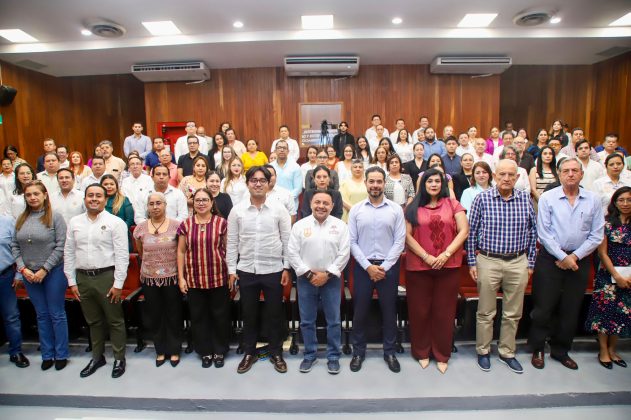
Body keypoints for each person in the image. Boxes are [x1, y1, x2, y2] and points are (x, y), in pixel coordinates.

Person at [529, 158, 605, 370]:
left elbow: (597, 234)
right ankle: (537, 348)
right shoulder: (548, 198)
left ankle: (561, 351)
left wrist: (575, 257)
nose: (570, 174)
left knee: (570, 308)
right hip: (550, 258)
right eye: (566, 171)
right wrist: (563, 257)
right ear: (559, 174)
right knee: (543, 307)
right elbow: (544, 233)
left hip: (579, 260)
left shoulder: (593, 200)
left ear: (581, 174)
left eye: (574, 170)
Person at [467, 159, 537, 374]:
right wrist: (472, 262)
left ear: (517, 177)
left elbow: (533, 232)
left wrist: (530, 263)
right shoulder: (482, 199)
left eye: (511, 175)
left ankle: (507, 352)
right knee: (486, 312)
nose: (506, 178)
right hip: (488, 261)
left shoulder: (525, 199)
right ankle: (483, 351)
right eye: (502, 174)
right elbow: (472, 232)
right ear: (495, 176)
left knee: (513, 313)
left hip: (518, 262)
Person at [227, 166, 292, 374]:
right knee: (249, 314)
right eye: (253, 180)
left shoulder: (279, 209)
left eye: (262, 180)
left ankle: (276, 352)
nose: (258, 184)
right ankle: (249, 352)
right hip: (246, 269)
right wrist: (231, 269)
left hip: (274, 269)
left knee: (274, 314)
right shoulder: (237, 210)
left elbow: (287, 240)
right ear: (247, 183)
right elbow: (231, 242)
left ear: (268, 183)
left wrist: (286, 267)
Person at [404, 169, 469, 373]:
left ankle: (442, 353)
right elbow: (406, 235)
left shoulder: (453, 204)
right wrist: (426, 257)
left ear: (443, 184)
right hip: (419, 267)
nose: (433, 184)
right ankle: (421, 352)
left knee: (444, 312)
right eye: (429, 181)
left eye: (437, 181)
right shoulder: (413, 206)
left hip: (448, 266)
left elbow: (464, 231)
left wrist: (446, 254)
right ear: (423, 184)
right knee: (419, 311)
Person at [65, 183, 130, 378]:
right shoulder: (75, 222)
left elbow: (122, 256)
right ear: (85, 199)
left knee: (115, 320)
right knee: (93, 321)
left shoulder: (115, 222)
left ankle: (119, 358)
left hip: (107, 277)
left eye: (98, 196)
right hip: (83, 278)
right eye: (90, 195)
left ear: (105, 199)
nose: (94, 199)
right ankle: (97, 357)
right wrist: (71, 281)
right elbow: (69, 252)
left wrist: (118, 284)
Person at [348, 166, 406, 373]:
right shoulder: (356, 210)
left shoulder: (395, 209)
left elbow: (400, 241)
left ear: (384, 183)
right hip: (362, 267)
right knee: (360, 312)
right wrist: (368, 267)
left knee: (389, 312)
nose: (375, 185)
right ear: (366, 183)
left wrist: (383, 267)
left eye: (379, 181)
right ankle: (358, 352)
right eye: (371, 181)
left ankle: (389, 352)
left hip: (388, 267)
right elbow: (351, 242)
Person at [289, 190, 350, 374]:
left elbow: (344, 253)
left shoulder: (340, 226)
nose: (321, 206)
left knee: (334, 321)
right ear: (310, 204)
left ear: (332, 206)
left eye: (325, 203)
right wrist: (309, 275)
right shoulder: (299, 226)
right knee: (307, 321)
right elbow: (292, 253)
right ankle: (309, 355)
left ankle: (333, 356)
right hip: (305, 280)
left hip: (331, 280)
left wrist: (327, 275)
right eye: (317, 202)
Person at [11, 181, 68, 371]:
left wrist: (45, 269)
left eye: (36, 193)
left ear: (45, 195)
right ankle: (47, 354)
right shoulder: (21, 218)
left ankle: (61, 354)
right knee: (41, 315)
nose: (33, 197)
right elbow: (15, 246)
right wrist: (23, 269)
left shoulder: (55, 217)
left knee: (56, 314)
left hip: (53, 272)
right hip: (29, 274)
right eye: (28, 195)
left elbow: (61, 245)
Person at [177, 188, 230, 369]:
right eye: (197, 200)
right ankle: (205, 351)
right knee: (199, 317)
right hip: (194, 279)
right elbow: (181, 251)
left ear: (211, 202)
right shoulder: (186, 224)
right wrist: (181, 278)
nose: (201, 203)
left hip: (218, 277)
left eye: (204, 200)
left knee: (220, 316)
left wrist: (232, 273)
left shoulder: (221, 223)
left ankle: (219, 350)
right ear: (193, 203)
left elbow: (228, 250)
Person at [585, 187, 631, 369]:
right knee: (605, 313)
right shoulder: (606, 224)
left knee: (621, 312)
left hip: (629, 276)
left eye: (629, 200)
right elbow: (602, 253)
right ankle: (603, 350)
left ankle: (613, 349)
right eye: (621, 200)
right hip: (608, 274)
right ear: (615, 203)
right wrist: (616, 275)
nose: (625, 203)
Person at [0, 214, 29, 368]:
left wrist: (19, 274)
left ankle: (16, 352)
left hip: (5, 276)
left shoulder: (7, 222)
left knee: (11, 316)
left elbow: (18, 249)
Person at [101, 175, 135, 249]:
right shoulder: (98, 202)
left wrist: (116, 231)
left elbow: (130, 220)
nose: (109, 186)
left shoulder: (124, 200)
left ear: (116, 186)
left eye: (112, 184)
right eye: (106, 184)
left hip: (121, 236)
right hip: (102, 236)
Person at [271, 140, 302, 210]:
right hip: (273, 204)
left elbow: (298, 189)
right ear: (275, 151)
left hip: (291, 205)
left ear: (288, 151)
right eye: (279, 148)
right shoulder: (270, 167)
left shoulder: (295, 167)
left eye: (284, 148)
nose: (282, 150)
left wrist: (285, 199)